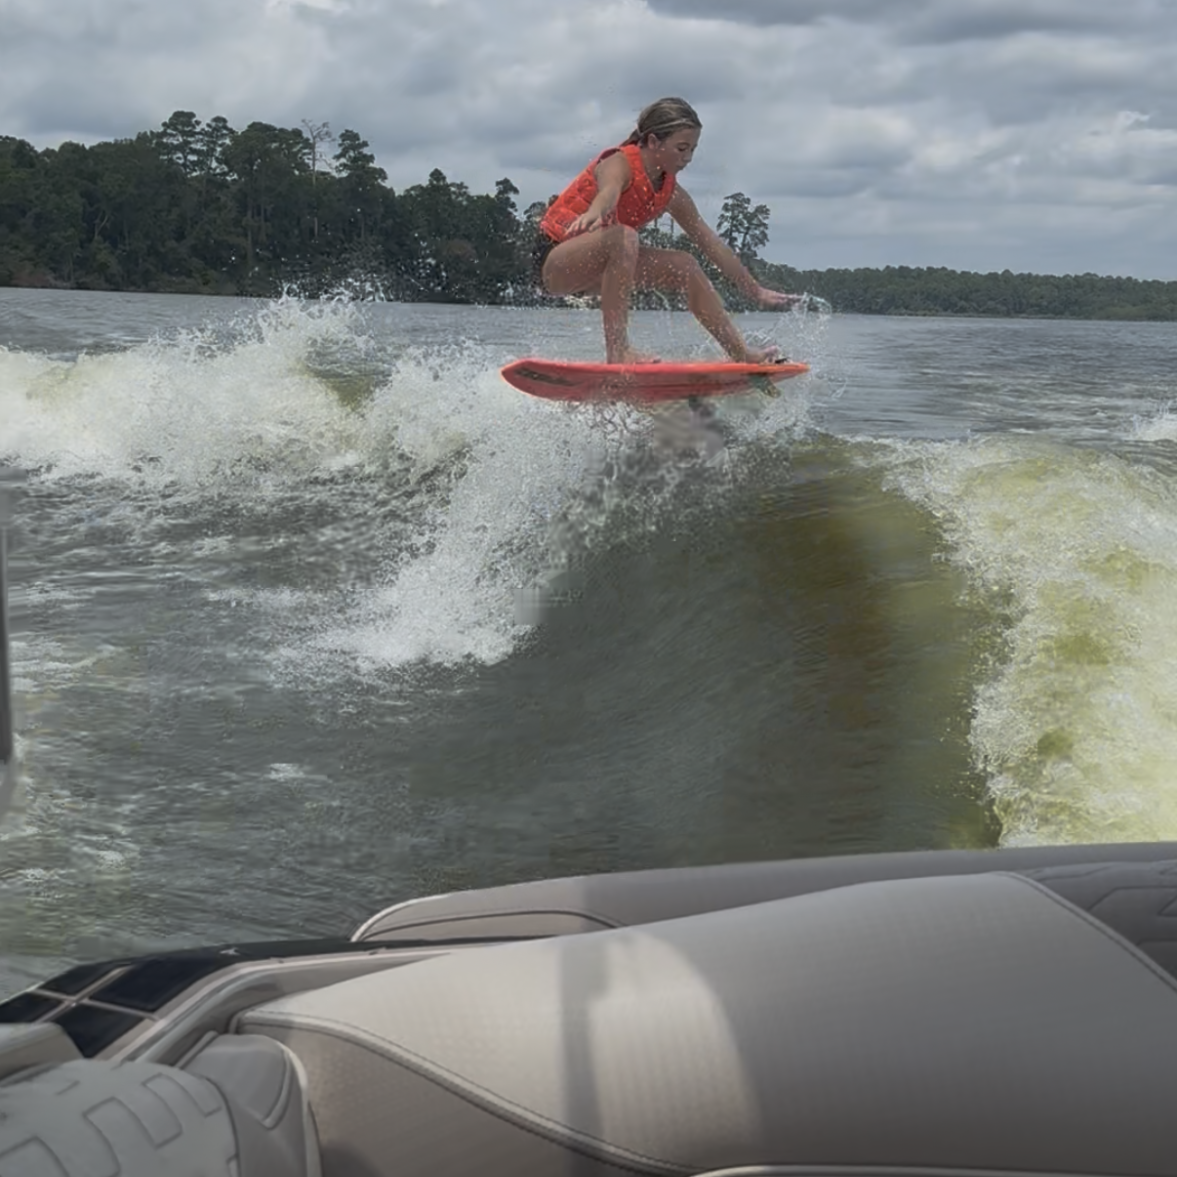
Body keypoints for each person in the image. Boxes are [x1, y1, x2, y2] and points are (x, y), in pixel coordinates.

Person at [535, 97, 801, 365]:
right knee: (625, 236)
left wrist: (754, 290)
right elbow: (609, 191)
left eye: (693, 150)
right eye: (681, 148)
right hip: (555, 263)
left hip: (596, 273)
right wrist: (595, 212)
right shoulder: (618, 162)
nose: (687, 159)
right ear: (653, 142)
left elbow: (710, 242)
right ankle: (618, 352)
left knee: (685, 266)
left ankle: (741, 354)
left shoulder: (672, 193)